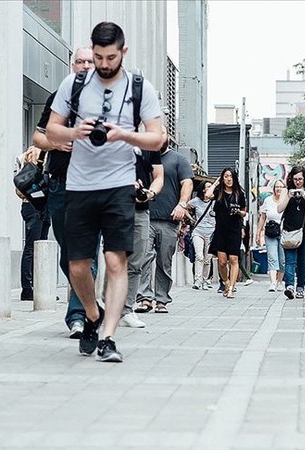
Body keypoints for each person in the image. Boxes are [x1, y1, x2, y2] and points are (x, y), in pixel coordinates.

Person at [46, 22, 165, 362]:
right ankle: (92, 315)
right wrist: (74, 132)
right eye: (97, 56)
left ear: (123, 52)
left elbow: (158, 138)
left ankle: (109, 337)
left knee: (116, 261)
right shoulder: (75, 83)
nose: (103, 63)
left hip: (118, 184)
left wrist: (124, 135)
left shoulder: (140, 87)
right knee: (78, 266)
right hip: (80, 184)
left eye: (110, 57)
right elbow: (51, 130)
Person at [31, 47, 93, 339]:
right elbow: (37, 136)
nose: (84, 66)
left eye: (89, 61)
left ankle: (78, 315)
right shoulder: (59, 97)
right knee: (67, 255)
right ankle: (89, 299)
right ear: (72, 66)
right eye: (79, 61)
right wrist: (55, 144)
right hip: (59, 184)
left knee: (85, 254)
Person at [135, 138, 194, 313]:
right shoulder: (142, 156)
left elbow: (188, 183)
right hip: (145, 216)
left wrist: (182, 204)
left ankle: (161, 299)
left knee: (164, 261)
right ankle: (145, 298)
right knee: (143, 258)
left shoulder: (178, 159)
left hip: (169, 219)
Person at [119, 142, 164, 328]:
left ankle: (127, 310)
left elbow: (159, 176)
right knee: (116, 259)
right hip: (116, 206)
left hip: (141, 209)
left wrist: (150, 192)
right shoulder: (112, 138)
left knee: (137, 261)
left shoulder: (149, 144)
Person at [14, 147, 51, 302]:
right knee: (33, 247)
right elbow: (19, 187)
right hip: (34, 206)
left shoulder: (23, 156)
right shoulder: (32, 156)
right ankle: (28, 288)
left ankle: (36, 287)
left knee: (40, 248)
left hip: (36, 206)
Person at [278, 166, 305, 299]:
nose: (298, 182)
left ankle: (300, 287)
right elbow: (279, 209)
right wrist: (288, 197)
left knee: (302, 261)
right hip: (289, 231)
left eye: (300, 179)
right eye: (295, 179)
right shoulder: (286, 191)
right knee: (289, 261)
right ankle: (289, 286)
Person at [207, 167, 248, 298]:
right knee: (222, 262)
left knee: (233, 259)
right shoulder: (218, 192)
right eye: (226, 176)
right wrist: (215, 183)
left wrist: (238, 212)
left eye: (230, 176)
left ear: (234, 178)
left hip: (234, 229)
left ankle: (231, 288)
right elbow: (207, 195)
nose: (228, 179)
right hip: (220, 230)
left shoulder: (239, 193)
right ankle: (226, 282)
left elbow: (244, 211)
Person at [256, 179, 286, 292]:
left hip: (284, 232)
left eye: (281, 187)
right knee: (272, 257)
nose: (278, 189)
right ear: (274, 189)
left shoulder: (286, 201)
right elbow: (262, 217)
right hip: (270, 232)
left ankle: (280, 282)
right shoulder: (268, 200)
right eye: (277, 187)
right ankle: (273, 282)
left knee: (282, 259)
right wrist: (258, 233)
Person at [188, 181, 216, 290]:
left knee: (207, 258)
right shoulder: (196, 201)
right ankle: (197, 281)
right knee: (199, 256)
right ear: (203, 190)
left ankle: (205, 280)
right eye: (208, 187)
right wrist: (191, 219)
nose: (210, 188)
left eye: (211, 187)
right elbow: (185, 207)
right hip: (198, 231)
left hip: (211, 232)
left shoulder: (215, 202)